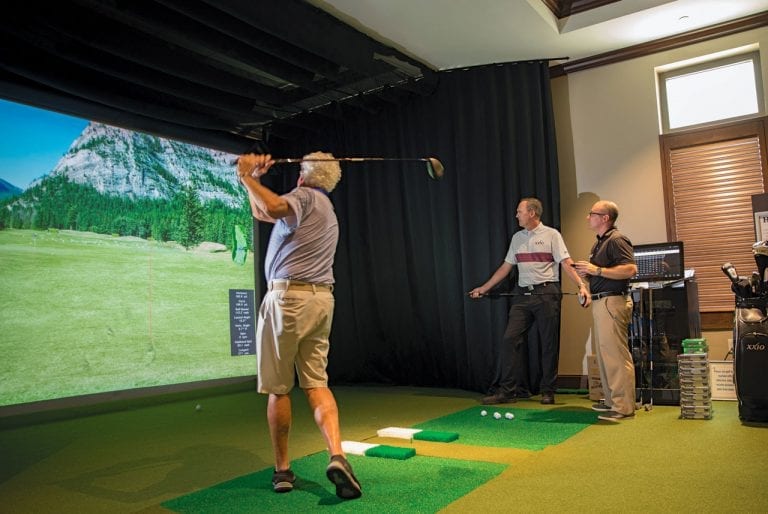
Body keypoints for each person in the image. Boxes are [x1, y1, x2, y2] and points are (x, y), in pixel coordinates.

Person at [236, 152, 362, 499]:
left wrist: (247, 175)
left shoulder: (304, 197)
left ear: (302, 177)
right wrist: (252, 181)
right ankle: (337, 455)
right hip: (321, 301)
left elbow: (274, 208)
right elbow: (262, 211)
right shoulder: (326, 208)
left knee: (279, 387)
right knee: (316, 383)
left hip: (289, 300)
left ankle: (282, 471)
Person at [469, 198, 590, 405]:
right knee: (510, 339)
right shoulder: (517, 238)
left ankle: (548, 391)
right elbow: (506, 267)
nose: (516, 215)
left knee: (548, 343)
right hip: (522, 295)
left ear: (532, 213)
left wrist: (581, 285)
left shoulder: (552, 235)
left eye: (520, 211)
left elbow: (566, 263)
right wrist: (484, 288)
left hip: (547, 292)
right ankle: (507, 391)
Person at [573, 200, 638, 423]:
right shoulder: (599, 243)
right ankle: (613, 403)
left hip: (613, 302)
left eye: (592, 213)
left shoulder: (617, 240)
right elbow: (602, 273)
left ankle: (623, 407)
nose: (587, 217)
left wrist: (596, 269)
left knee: (616, 356)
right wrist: (588, 278)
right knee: (605, 356)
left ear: (605, 218)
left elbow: (630, 269)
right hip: (602, 302)